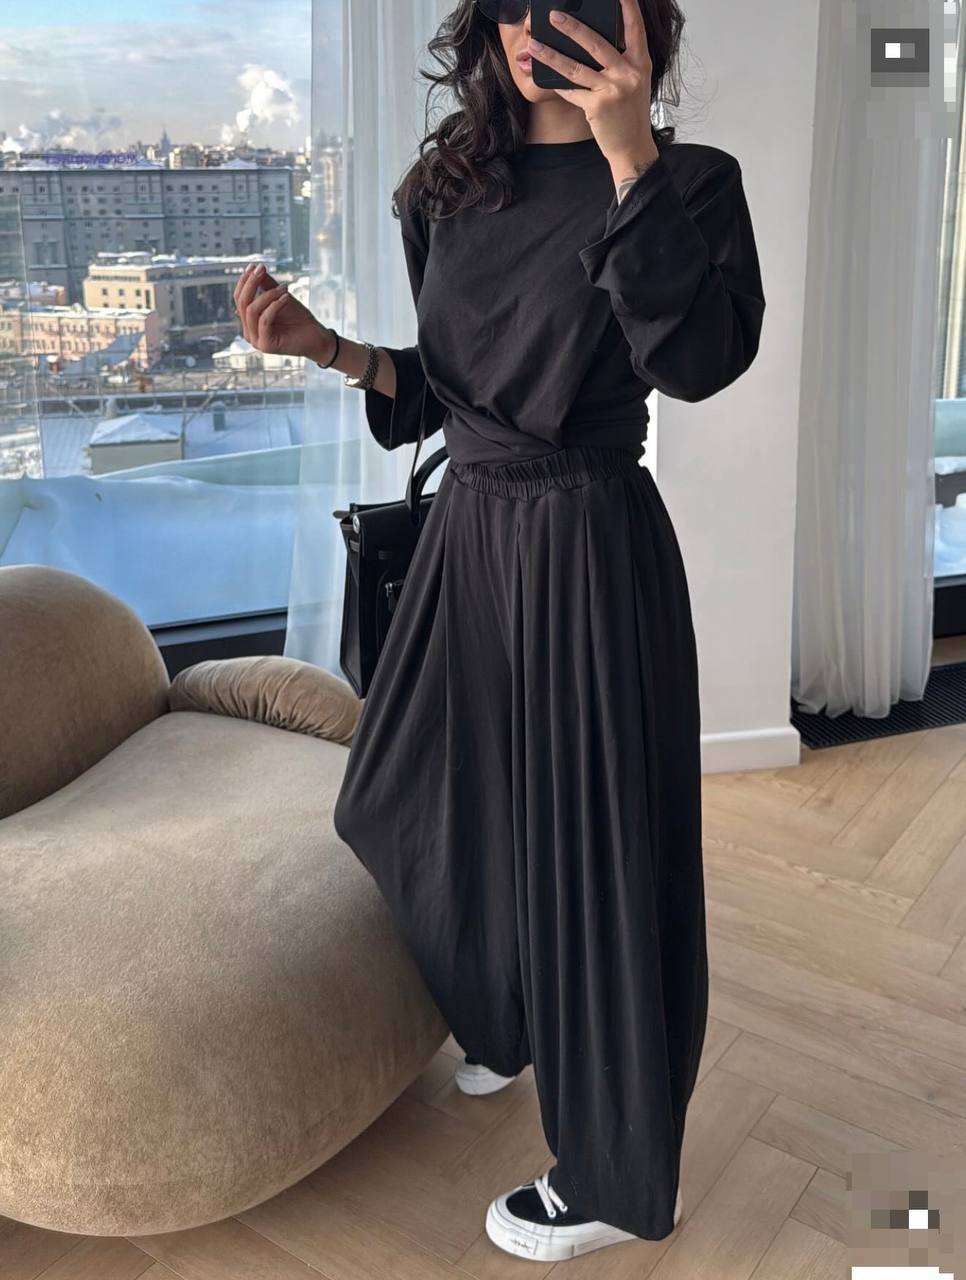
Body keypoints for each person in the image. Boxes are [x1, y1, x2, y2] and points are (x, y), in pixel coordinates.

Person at [234, 0, 765, 1262]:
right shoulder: (446, 187)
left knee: (603, 864)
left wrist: (628, 155)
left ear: (631, 22)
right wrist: (330, 348)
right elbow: (454, 385)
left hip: (587, 539)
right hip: (470, 534)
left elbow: (699, 361)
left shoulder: (690, 180)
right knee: (403, 796)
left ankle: (613, 1173)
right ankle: (508, 1014)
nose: (539, 23)